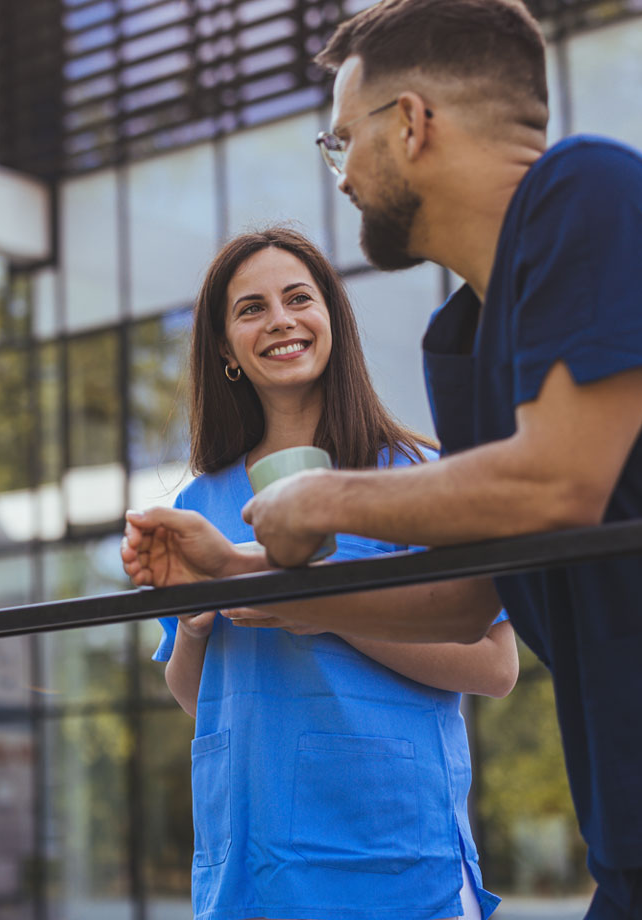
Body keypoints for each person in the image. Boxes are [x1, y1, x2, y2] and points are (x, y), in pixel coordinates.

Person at [122, 0, 642, 918]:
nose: (344, 175)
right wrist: (242, 571)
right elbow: (472, 595)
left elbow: (560, 481)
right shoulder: (463, 336)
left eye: (343, 140)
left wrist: (319, 506)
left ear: (411, 123)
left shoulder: (595, 190)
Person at [141, 226, 515, 920]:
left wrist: (324, 612)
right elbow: (198, 698)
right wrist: (193, 625)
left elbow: (495, 666)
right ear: (225, 349)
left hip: (395, 856)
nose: (280, 320)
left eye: (297, 299)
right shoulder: (198, 505)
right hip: (253, 867)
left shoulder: (411, 477)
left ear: (332, 321)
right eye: (250, 309)